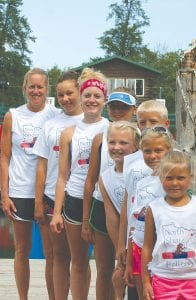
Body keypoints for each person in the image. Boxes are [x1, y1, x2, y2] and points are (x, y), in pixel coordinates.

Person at [50, 67, 109, 300]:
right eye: (87, 95)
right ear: (81, 98)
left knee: (106, 266)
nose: (92, 100)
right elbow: (62, 176)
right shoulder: (68, 133)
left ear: (104, 99)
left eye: (97, 96)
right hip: (74, 200)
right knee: (79, 262)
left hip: (103, 202)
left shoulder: (111, 129)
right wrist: (56, 213)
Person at [0, 68, 59, 300]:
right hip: (19, 192)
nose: (36, 91)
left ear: (47, 89)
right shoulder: (12, 115)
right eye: (31, 86)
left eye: (40, 87)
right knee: (21, 250)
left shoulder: (55, 115)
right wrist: (4, 194)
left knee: (51, 253)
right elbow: (4, 156)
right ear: (24, 88)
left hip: (46, 192)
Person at [82, 87, 138, 300]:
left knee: (131, 268)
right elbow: (91, 180)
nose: (117, 110)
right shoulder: (100, 138)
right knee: (105, 269)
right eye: (113, 106)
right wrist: (86, 220)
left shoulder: (141, 139)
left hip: (134, 210)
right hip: (104, 205)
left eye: (123, 107)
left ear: (133, 109)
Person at [33, 71, 83, 300]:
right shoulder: (50, 125)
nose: (65, 99)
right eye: (60, 94)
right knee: (57, 256)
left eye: (70, 93)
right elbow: (42, 165)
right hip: (53, 197)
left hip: (81, 198)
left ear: (80, 92)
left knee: (80, 259)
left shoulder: (94, 123)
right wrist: (38, 201)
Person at [117, 100, 170, 283]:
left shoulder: (176, 163)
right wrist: (122, 243)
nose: (147, 127)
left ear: (165, 123)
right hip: (138, 243)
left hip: (165, 244)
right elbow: (129, 207)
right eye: (142, 122)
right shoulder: (132, 162)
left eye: (153, 122)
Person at [142, 150, 196, 300]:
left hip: (195, 279)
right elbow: (147, 247)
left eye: (180, 178)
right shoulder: (154, 208)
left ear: (190, 178)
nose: (175, 183)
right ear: (161, 178)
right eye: (169, 178)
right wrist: (146, 282)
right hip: (163, 279)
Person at [124, 127, 173, 300]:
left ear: (169, 150)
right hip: (138, 249)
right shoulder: (141, 183)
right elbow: (133, 222)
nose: (153, 156)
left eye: (158, 150)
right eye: (147, 151)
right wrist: (129, 260)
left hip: (161, 251)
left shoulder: (173, 185)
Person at [99, 121, 141, 300]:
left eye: (123, 143)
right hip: (126, 238)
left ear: (136, 145)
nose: (116, 147)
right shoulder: (105, 178)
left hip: (145, 238)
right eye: (112, 142)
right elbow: (112, 217)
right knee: (120, 277)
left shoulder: (143, 170)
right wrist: (120, 249)